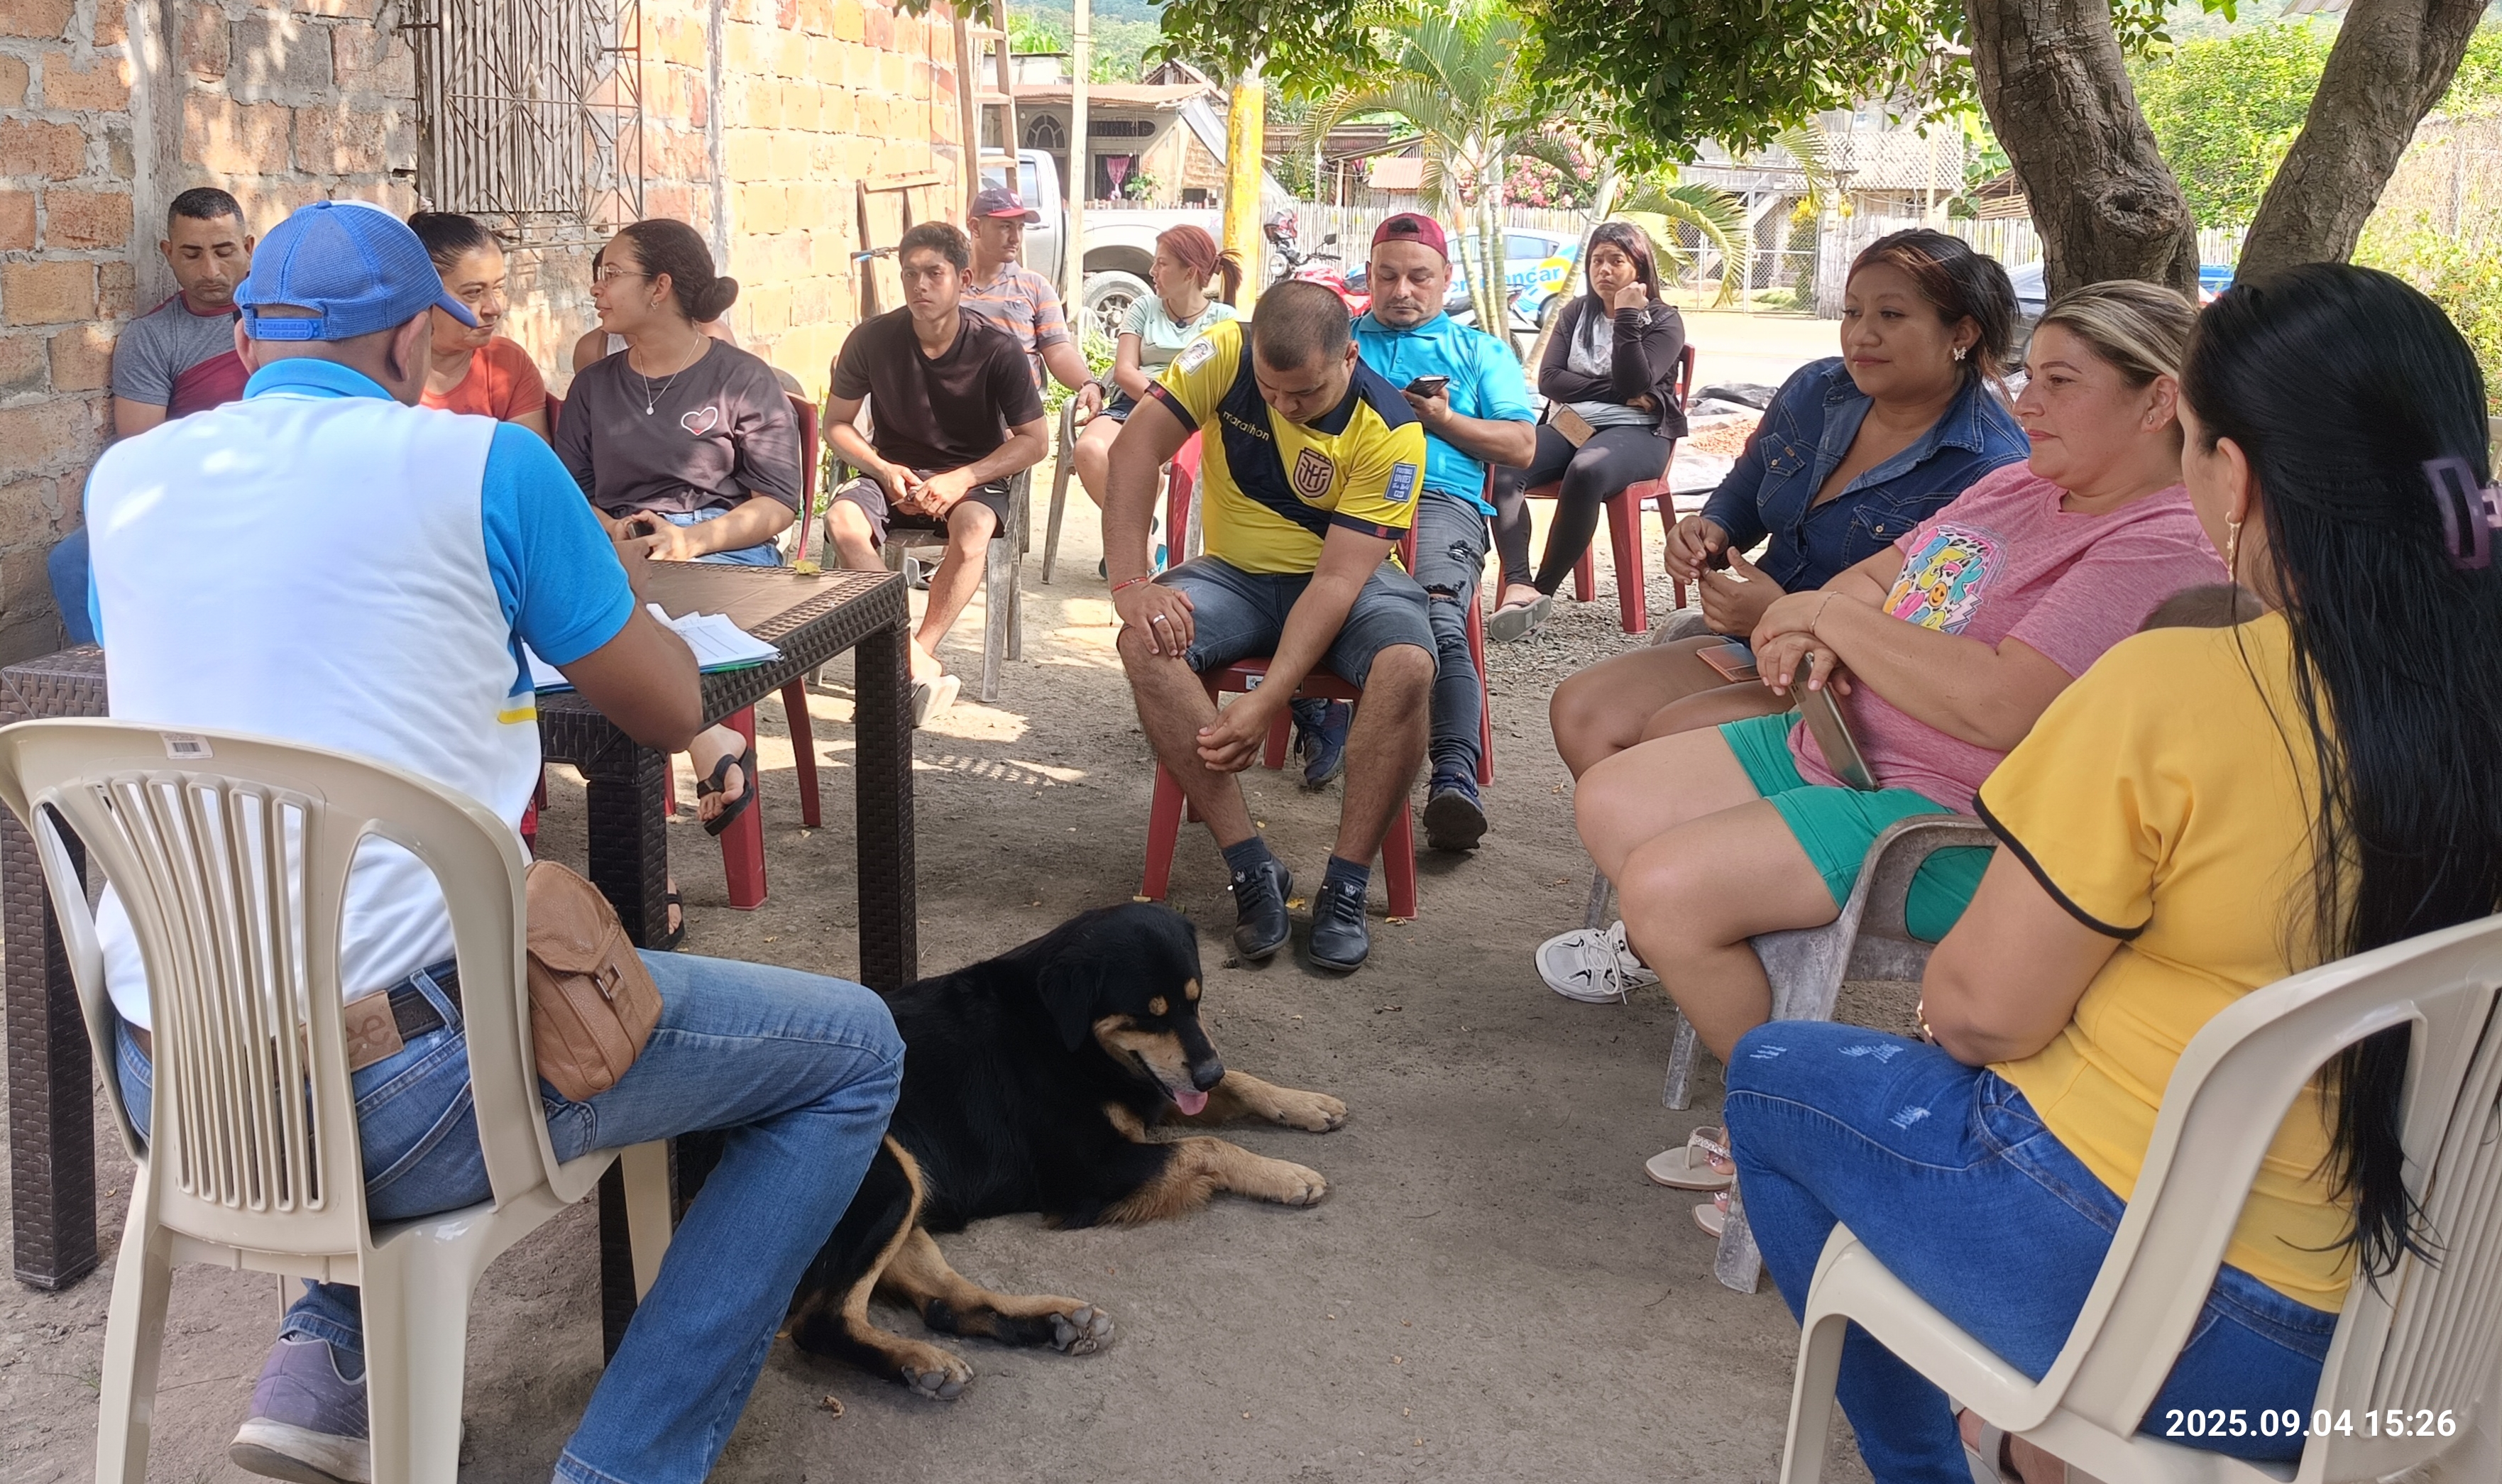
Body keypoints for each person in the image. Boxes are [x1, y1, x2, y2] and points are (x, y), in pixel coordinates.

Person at [80, 199, 901, 1484]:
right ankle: (624, 1462)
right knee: (854, 1050)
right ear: (415, 343)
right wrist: (601, 588)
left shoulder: (125, 482)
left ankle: (329, 1367)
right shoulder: (487, 468)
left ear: (243, 338)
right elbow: (666, 704)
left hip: (174, 1079)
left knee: (343, 903)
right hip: (409, 1094)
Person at [1726, 264, 2502, 1484]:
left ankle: (1932, 1465)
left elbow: (1981, 1012)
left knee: (1778, 1076)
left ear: (2233, 475)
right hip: (2426, 1354)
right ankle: (2038, 1449)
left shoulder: (2180, 689)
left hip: (2184, 1335)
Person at [1540, 284, 2226, 1177]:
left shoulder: (2161, 541)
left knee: (1668, 893)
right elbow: (1874, 577)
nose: (2027, 403)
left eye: (2061, 383)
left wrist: (1826, 620)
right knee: (1615, 799)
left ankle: (1790, 1132)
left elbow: (1999, 704)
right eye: (2031, 377)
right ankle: (1791, 1043)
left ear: (2158, 402)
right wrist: (1826, 621)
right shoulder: (2021, 485)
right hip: (1845, 740)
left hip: (1952, 817)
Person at [1547, 230, 2029, 779]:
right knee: (1581, 709)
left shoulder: (1990, 469)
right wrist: (1712, 529)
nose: (1862, 334)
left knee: (1673, 739)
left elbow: (1939, 639)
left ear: (1960, 333)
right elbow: (1747, 485)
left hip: (1857, 683)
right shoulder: (1816, 390)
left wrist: (1784, 614)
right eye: (1852, 312)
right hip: (1757, 643)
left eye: (1891, 315)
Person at [1105, 280, 1434, 973]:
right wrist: (1131, 584)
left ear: (1349, 357)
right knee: (1144, 640)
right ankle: (1250, 864)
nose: (1284, 406)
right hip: (1235, 574)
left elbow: (1336, 581)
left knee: (1407, 664)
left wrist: (1269, 698)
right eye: (1270, 390)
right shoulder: (1225, 351)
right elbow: (1133, 450)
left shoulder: (1391, 429)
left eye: (1304, 393)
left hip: (1352, 584)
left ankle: (1346, 883)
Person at [551, 218, 804, 929]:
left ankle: (648, 875)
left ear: (660, 287)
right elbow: (572, 492)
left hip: (723, 554)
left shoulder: (742, 378)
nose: (597, 288)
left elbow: (777, 504)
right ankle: (710, 744)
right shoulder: (594, 385)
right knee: (604, 620)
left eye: (612, 273)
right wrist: (614, 532)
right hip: (623, 552)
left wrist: (691, 541)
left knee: (625, 633)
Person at [1346, 211, 1537, 851]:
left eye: (1418, 277)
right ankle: (1320, 724)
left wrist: (1443, 420)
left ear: (1445, 278)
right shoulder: (1339, 340)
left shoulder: (1480, 351)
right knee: (1317, 596)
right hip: (1345, 500)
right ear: (1368, 276)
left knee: (1439, 616)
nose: (1402, 290)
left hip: (1438, 499)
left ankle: (1453, 775)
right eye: (1387, 276)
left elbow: (1521, 446)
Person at [823, 220, 1050, 721]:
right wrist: (882, 468)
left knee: (973, 528)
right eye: (910, 274)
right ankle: (907, 656)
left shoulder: (997, 349)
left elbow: (1036, 442)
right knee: (841, 519)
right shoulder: (872, 339)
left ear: (963, 279)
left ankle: (914, 653)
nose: (920, 285)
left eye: (934, 273)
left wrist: (963, 478)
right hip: (891, 471)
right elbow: (835, 424)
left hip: (970, 478)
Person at [50, 187, 257, 645]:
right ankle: (113, 679)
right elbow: (140, 451)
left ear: (248, 247)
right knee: (72, 563)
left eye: (224, 251)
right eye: (192, 254)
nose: (210, 270)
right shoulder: (152, 337)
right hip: (193, 489)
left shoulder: (283, 314)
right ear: (168, 253)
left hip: (282, 471)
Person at [1487, 222, 1688, 639]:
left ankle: (1541, 595)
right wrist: (1617, 393)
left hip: (1639, 433)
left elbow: (1636, 380)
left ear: (1639, 268)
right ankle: (1519, 585)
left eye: (1617, 260)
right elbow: (1550, 381)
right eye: (1597, 261)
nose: (1604, 270)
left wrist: (1628, 316)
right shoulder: (1576, 313)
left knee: (1587, 470)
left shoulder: (1664, 319)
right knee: (1505, 465)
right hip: (1572, 424)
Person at [1067, 223, 1241, 512]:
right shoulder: (1144, 307)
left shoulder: (1224, 320)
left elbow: (1226, 383)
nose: (1152, 271)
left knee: (1137, 464)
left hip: (1193, 417)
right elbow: (1124, 371)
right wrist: (1161, 401)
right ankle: (1143, 533)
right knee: (1088, 450)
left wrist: (1174, 407)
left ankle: (1132, 535)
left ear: (1190, 272)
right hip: (1134, 404)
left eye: (1162, 263)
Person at [961, 185, 1103, 414]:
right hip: (957, 405)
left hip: (1016, 410)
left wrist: (1088, 384)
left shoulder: (1035, 286)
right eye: (1005, 226)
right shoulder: (949, 285)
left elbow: (1058, 350)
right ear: (975, 227)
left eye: (1020, 227)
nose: (1015, 238)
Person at [407, 211, 550, 436]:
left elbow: (526, 456)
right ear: (421, 293)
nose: (494, 308)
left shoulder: (508, 364)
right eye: (473, 292)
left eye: (499, 288)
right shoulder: (382, 373)